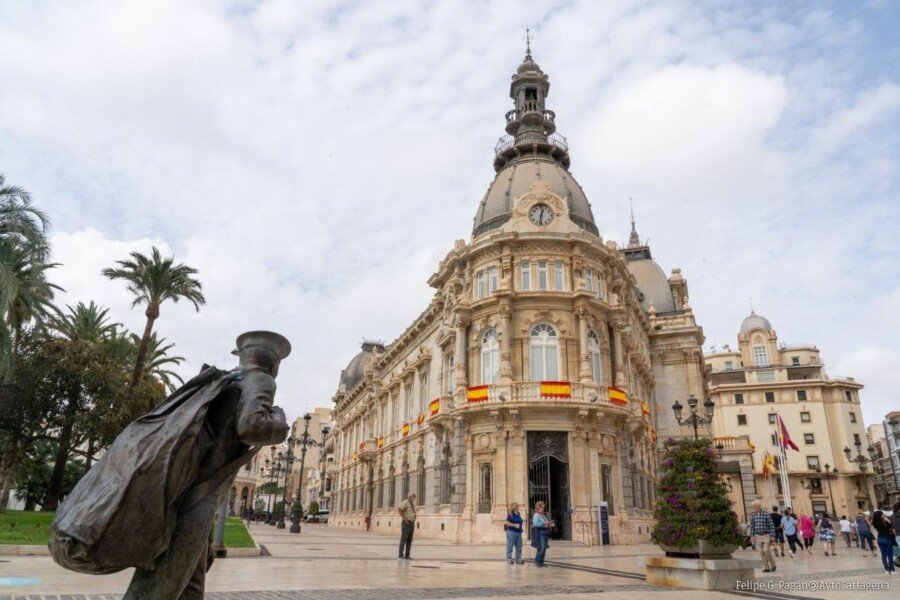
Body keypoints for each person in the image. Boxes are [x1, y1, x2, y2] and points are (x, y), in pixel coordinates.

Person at [50, 331, 292, 600]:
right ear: (273, 363)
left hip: (188, 493)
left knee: (191, 584)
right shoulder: (260, 380)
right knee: (157, 591)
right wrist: (280, 419)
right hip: (197, 502)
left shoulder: (222, 381)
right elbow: (251, 426)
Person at [749, 500, 777, 573]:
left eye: (755, 505)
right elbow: (752, 526)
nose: (754, 507)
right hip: (758, 536)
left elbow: (771, 525)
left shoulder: (766, 514)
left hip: (766, 535)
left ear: (759, 505)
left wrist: (773, 536)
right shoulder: (753, 515)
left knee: (766, 550)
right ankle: (766, 567)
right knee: (761, 552)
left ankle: (773, 564)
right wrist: (752, 535)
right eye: (753, 506)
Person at [871, 510, 896, 575]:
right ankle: (892, 570)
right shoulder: (885, 522)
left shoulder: (875, 523)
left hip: (880, 539)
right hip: (887, 538)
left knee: (883, 555)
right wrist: (887, 520)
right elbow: (891, 526)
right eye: (882, 514)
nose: (883, 515)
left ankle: (886, 570)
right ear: (880, 515)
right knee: (889, 555)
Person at [530, 501, 554, 567]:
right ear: (538, 507)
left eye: (544, 507)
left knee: (544, 547)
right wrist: (545, 524)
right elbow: (536, 524)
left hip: (544, 532)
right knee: (541, 547)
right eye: (542, 507)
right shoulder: (536, 515)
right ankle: (537, 561)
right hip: (540, 533)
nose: (543, 509)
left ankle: (541, 562)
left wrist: (549, 524)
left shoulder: (543, 515)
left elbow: (545, 523)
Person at [397, 492, 417, 560]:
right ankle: (400, 555)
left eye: (414, 497)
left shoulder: (413, 504)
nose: (413, 498)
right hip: (406, 523)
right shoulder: (405, 502)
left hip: (411, 523)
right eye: (412, 497)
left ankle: (407, 555)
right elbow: (399, 509)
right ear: (409, 497)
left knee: (409, 540)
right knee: (404, 539)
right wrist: (404, 518)